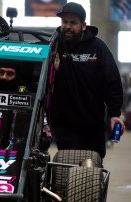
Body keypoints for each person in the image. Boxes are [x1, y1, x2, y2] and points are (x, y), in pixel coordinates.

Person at [49, 2, 125, 159]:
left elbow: (112, 82)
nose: (68, 26)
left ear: (83, 25)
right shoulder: (54, 47)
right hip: (64, 124)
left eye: (73, 22)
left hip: (93, 124)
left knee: (91, 167)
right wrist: (53, 69)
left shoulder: (98, 48)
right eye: (65, 22)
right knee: (67, 166)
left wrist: (114, 113)